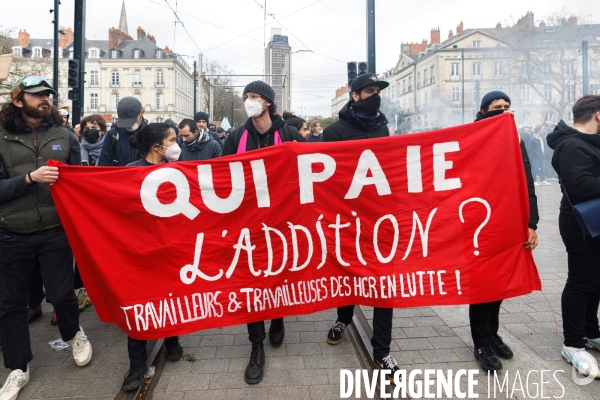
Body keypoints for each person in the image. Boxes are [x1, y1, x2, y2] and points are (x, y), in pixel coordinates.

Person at [0, 76, 92, 400]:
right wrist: (28, 178)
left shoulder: (64, 135)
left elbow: (79, 181)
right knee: (11, 305)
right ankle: (18, 368)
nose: (45, 99)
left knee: (62, 294)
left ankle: (74, 334)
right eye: (37, 94)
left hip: (54, 230)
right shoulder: (1, 138)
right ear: (18, 100)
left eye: (47, 95)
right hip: (12, 233)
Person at [222, 80, 301, 385]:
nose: (249, 101)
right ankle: (256, 345)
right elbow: (222, 173)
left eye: (254, 96)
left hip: (283, 221)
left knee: (278, 275)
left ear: (267, 102)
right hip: (248, 223)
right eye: (246, 97)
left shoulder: (289, 134)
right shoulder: (237, 136)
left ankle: (278, 317)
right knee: (252, 283)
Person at [322, 73, 400, 379]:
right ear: (354, 96)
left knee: (383, 284)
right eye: (369, 91)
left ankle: (382, 351)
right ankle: (344, 318)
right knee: (348, 275)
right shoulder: (334, 132)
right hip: (347, 220)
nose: (375, 95)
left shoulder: (384, 128)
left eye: (378, 91)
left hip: (381, 221)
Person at [470, 90, 539, 371]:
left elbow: (527, 182)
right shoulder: (472, 137)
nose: (504, 110)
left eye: (507, 106)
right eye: (497, 107)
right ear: (484, 111)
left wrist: (531, 223)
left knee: (499, 283)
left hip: (509, 222)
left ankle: (493, 333)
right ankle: (481, 342)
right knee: (483, 286)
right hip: (480, 224)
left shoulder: (517, 139)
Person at [121, 123, 184, 391]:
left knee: (171, 295)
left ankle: (172, 339)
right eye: (172, 139)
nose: (176, 144)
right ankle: (136, 364)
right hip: (141, 251)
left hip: (170, 248)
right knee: (138, 304)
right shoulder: (130, 172)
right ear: (156, 146)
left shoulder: (180, 171)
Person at [546, 94, 600, 378]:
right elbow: (581, 186)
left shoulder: (591, 142)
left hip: (595, 220)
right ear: (598, 115)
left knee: (596, 279)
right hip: (580, 223)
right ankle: (573, 344)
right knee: (582, 280)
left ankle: (592, 332)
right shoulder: (571, 145)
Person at [98, 97, 148, 166]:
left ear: (142, 112)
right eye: (124, 120)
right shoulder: (113, 134)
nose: (128, 125)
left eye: (132, 120)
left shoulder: (150, 134)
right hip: (119, 175)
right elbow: (104, 163)